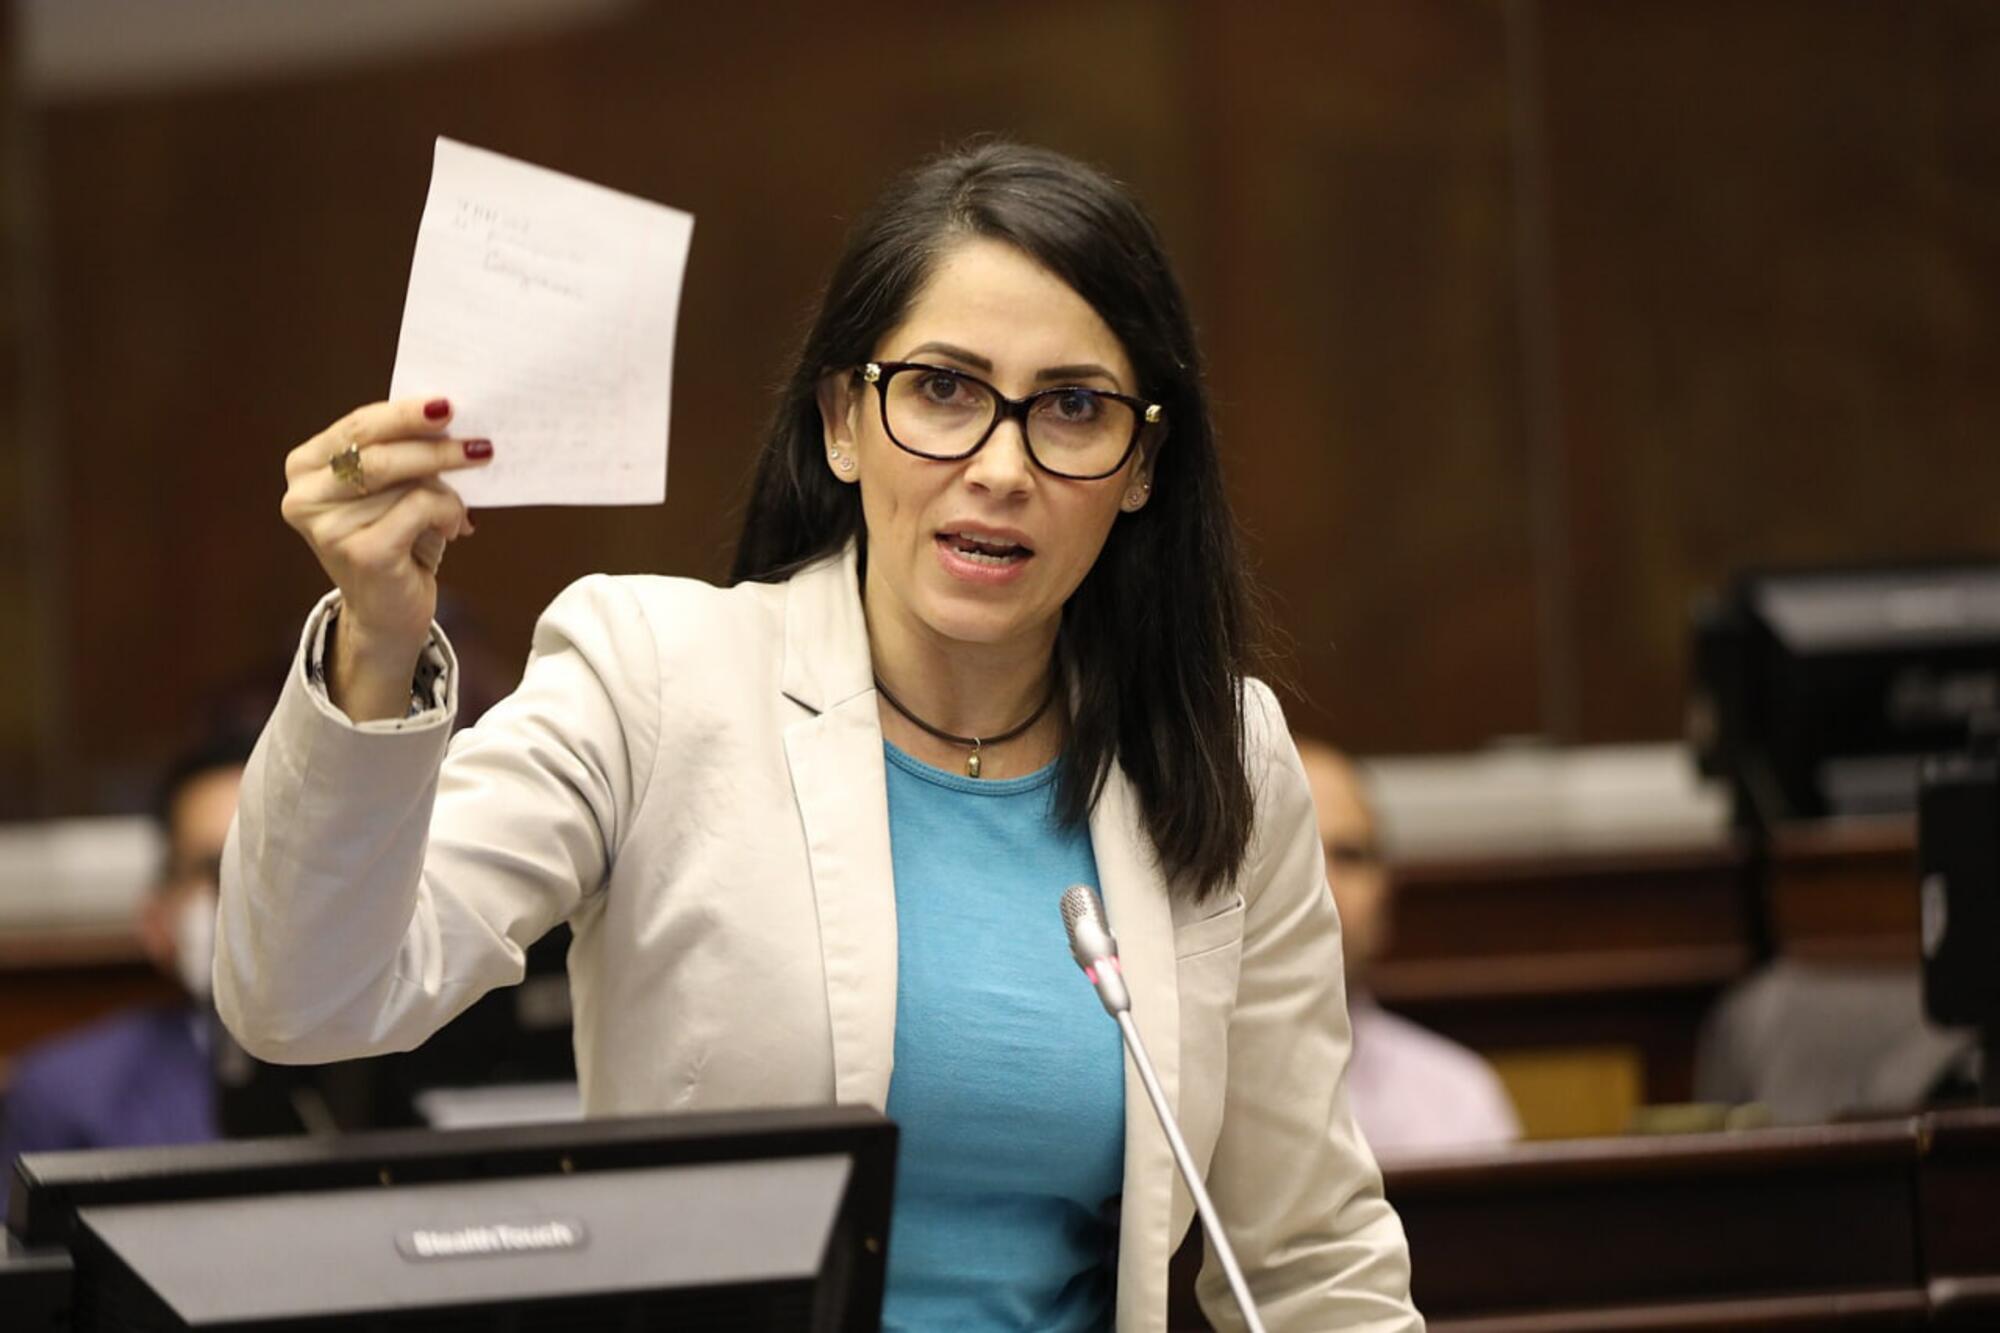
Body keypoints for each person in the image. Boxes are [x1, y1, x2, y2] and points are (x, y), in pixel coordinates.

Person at [221, 141, 1422, 1332]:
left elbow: (1310, 1259)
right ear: (843, 419)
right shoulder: (652, 677)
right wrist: (376, 643)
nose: (1000, 467)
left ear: (1141, 463)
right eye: (943, 389)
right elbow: (305, 998)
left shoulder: (1221, 751)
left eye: (1070, 407)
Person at [1, 733, 251, 1164]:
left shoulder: (375, 1078)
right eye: (216, 869)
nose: (251, 897)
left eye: (278, 867)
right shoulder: (66, 1097)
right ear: (157, 919)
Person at [1296, 739, 1520, 1156]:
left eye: (1349, 856)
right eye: (1295, 853)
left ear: (1386, 892)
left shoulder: (1459, 1101)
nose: (1325, 887)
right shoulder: (1179, 1096)